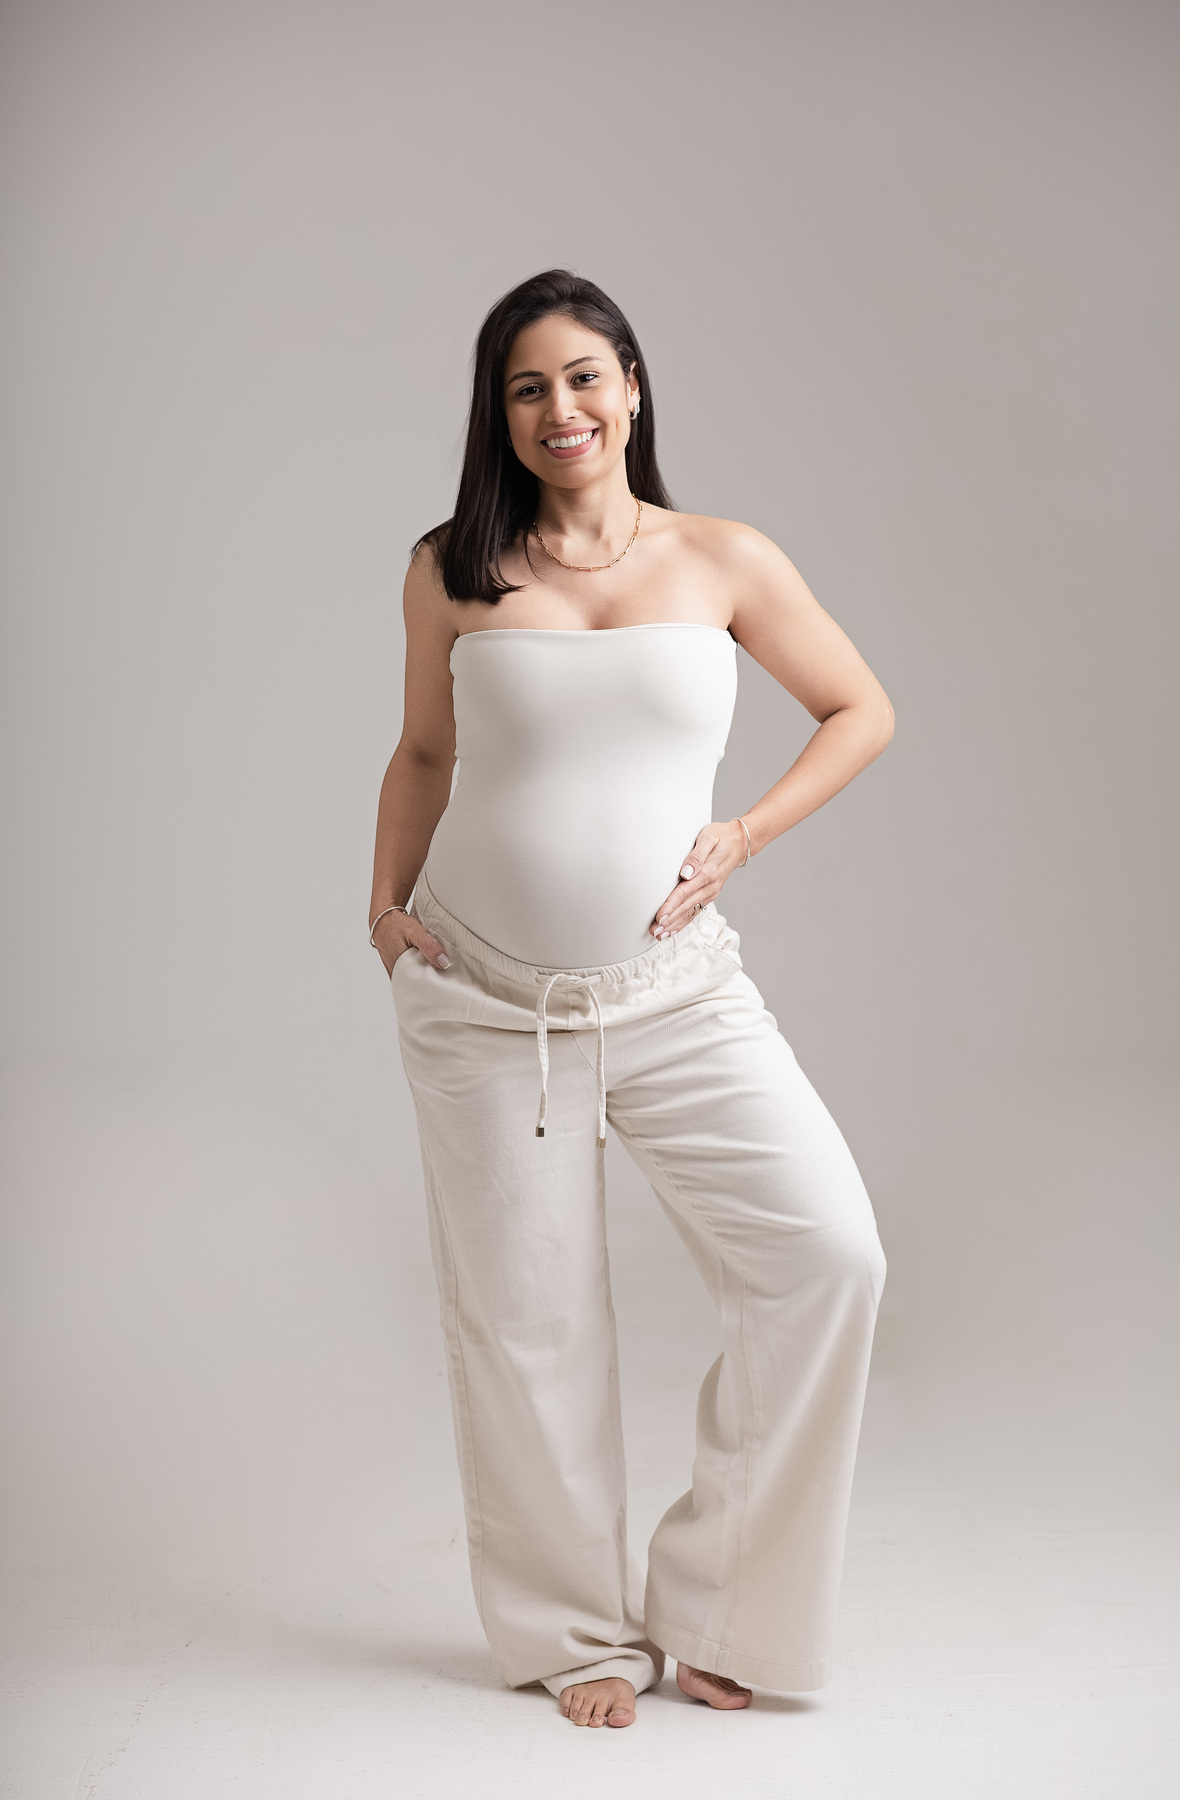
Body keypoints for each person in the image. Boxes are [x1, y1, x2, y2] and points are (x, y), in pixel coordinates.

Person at [368, 269, 893, 1730]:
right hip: (484, 999)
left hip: (676, 994)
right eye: (528, 386)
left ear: (634, 386)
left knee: (828, 1257)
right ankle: (574, 1636)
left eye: (585, 376)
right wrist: (382, 910)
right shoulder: (453, 569)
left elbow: (860, 707)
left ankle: (725, 1611)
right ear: (500, 413)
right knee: (528, 1322)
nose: (562, 409)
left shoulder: (723, 557)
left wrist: (746, 834)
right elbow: (424, 754)